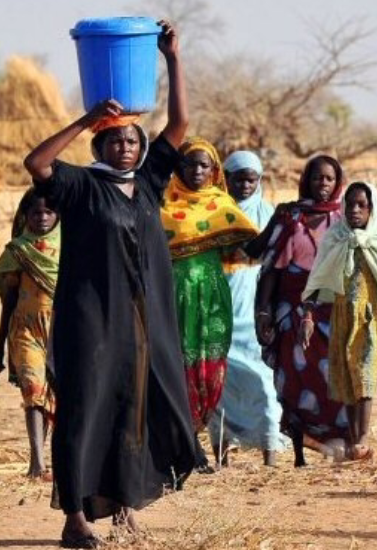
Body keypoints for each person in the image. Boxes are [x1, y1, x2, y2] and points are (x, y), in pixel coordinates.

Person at [23, 20, 196, 548]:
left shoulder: (145, 184)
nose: (125, 146)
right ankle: (75, 518)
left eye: (131, 139)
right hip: (90, 323)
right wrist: (85, 118)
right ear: (99, 145)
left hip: (141, 327)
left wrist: (172, 58)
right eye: (114, 140)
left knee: (131, 411)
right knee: (83, 413)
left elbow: (181, 125)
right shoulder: (80, 186)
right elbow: (37, 162)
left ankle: (124, 507)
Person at [161, 138, 258, 473]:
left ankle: (195, 436)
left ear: (215, 169)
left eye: (205, 165)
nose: (198, 171)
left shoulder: (223, 205)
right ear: (178, 167)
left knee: (212, 368)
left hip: (214, 295)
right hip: (174, 294)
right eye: (190, 164)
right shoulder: (163, 202)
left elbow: (249, 250)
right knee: (177, 366)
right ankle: (187, 446)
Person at [301, 182, 377, 460]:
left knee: (365, 376)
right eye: (350, 204)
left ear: (372, 209)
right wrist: (308, 315)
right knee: (347, 378)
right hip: (343, 317)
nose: (355, 210)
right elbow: (318, 278)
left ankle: (363, 438)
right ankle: (351, 438)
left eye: (362, 205)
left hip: (372, 319)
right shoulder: (335, 238)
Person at [255, 155, 349, 467]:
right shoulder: (289, 216)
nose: (323, 184)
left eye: (329, 179)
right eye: (317, 178)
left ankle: (334, 447)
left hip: (332, 310)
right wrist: (264, 313)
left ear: (337, 184)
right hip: (291, 309)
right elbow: (269, 267)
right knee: (293, 379)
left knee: (331, 381)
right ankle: (297, 453)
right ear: (306, 180)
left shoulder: (345, 219)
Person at [206, 150, 287, 467]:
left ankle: (269, 455)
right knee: (220, 386)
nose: (244, 185)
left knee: (263, 385)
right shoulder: (212, 213)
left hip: (255, 307)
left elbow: (278, 263)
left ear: (259, 180)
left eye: (250, 179)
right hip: (219, 306)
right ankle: (221, 457)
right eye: (237, 178)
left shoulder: (268, 215)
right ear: (225, 179)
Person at [0, 189, 60, 480]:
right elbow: (8, 300)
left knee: (53, 394)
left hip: (61, 329)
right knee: (34, 389)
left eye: (49, 212)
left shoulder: (71, 248)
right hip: (25, 329)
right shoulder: (16, 251)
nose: (43, 218)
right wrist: (0, 341)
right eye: (36, 212)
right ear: (26, 216)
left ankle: (50, 456)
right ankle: (37, 462)